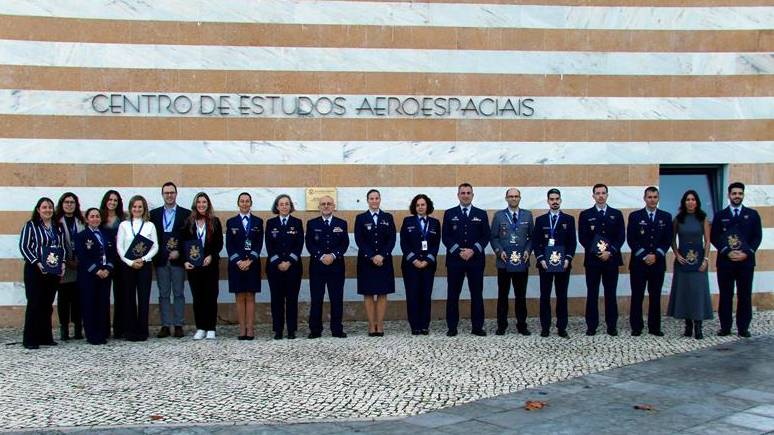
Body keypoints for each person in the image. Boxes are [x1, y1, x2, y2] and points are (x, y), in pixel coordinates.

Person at [710, 182, 763, 338]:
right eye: (734, 193)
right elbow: (714, 237)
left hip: (746, 262)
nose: (737, 196)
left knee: (744, 295)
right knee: (726, 295)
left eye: (740, 193)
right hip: (726, 262)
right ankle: (725, 327)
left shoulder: (752, 214)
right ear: (729, 195)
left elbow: (757, 237)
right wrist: (727, 252)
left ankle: (743, 328)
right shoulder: (720, 215)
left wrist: (747, 253)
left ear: (743, 195)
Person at [442, 183, 490, 337]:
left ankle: (477, 327)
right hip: (455, 261)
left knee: (476, 294)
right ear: (458, 195)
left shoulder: (481, 214)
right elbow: (445, 237)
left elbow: (486, 236)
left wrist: (473, 250)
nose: (465, 195)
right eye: (462, 193)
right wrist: (458, 251)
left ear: (472, 195)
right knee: (452, 294)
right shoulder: (449, 213)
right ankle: (452, 327)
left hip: (475, 260)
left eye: (468, 193)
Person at [578, 183, 625, 336]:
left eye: (603, 193)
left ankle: (612, 326)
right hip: (593, 261)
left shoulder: (616, 214)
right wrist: (598, 251)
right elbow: (583, 237)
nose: (600, 196)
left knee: (610, 293)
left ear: (607, 195)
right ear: (593, 196)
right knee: (592, 293)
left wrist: (609, 252)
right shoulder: (585, 215)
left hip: (611, 260)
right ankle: (591, 325)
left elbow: (620, 237)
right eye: (597, 193)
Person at [19, 197, 65, 349]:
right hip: (35, 269)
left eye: (50, 207)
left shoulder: (58, 226)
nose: (48, 210)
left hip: (53, 269)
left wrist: (63, 263)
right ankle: (30, 339)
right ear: (38, 210)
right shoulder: (31, 225)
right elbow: (24, 247)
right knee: (34, 303)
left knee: (47, 304)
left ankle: (45, 337)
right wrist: (37, 262)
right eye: (44, 207)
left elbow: (62, 247)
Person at [627, 186, 673, 337]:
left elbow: (667, 240)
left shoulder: (666, 217)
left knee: (655, 296)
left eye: (655, 197)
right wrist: (644, 256)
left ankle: (654, 327)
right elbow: (631, 239)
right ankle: (636, 326)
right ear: (644, 198)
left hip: (657, 263)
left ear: (658, 198)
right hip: (639, 264)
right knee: (637, 295)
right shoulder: (635, 216)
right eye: (649, 197)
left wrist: (656, 255)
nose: (652, 200)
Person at [667, 190, 712, 339]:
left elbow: (707, 241)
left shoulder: (703, 218)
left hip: (699, 261)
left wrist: (706, 259)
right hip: (683, 262)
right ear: (684, 202)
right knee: (685, 292)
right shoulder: (678, 219)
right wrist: (677, 254)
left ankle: (698, 326)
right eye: (688, 199)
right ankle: (688, 325)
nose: (690, 202)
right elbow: (672, 239)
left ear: (697, 202)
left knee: (698, 293)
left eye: (693, 199)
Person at [149, 182, 191, 339]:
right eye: (166, 193)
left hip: (178, 260)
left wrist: (180, 252)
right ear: (162, 195)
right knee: (164, 293)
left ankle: (179, 324)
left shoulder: (186, 214)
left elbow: (189, 237)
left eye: (172, 192)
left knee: (179, 293)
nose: (169, 195)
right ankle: (165, 325)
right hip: (161, 259)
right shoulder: (154, 214)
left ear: (176, 194)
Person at [533, 189, 576, 338]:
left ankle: (561, 327)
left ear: (561, 200)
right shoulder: (541, 220)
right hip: (545, 265)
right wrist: (541, 259)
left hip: (563, 265)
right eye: (552, 199)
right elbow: (536, 242)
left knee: (562, 296)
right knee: (545, 296)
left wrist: (568, 259)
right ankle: (545, 327)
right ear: (548, 201)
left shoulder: (569, 219)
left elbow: (572, 242)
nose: (555, 201)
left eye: (557, 199)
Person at [490, 188, 533, 336]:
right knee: (503, 295)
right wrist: (499, 251)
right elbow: (493, 237)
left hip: (521, 262)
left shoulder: (527, 215)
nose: (513, 198)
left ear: (520, 198)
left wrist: (528, 251)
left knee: (520, 295)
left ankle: (522, 325)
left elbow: (531, 237)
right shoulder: (499, 216)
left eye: (516, 196)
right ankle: (501, 325)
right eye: (511, 196)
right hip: (504, 262)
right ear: (506, 198)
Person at [116, 195, 159, 342]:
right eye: (134, 206)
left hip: (144, 265)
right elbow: (120, 247)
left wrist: (144, 259)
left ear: (144, 208)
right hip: (128, 266)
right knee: (128, 297)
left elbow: (155, 246)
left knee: (143, 298)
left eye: (140, 206)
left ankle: (142, 331)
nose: (137, 209)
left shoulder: (150, 225)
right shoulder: (124, 225)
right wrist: (130, 262)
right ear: (130, 208)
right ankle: (130, 330)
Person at [305, 195, 349, 339]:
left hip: (336, 267)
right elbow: (309, 244)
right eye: (323, 204)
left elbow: (344, 244)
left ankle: (337, 329)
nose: (326, 206)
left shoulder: (341, 223)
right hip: (317, 266)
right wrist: (322, 256)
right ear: (319, 207)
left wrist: (334, 255)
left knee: (336, 298)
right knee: (316, 298)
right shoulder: (312, 223)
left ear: (333, 206)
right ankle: (315, 330)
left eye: (329, 203)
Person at [354, 189, 396, 337]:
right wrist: (372, 256)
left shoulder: (388, 217)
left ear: (380, 199)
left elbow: (392, 239)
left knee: (383, 293)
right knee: (368, 293)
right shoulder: (361, 218)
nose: (374, 201)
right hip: (366, 261)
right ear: (367, 201)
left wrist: (382, 255)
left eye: (376, 198)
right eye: (371, 198)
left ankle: (380, 323)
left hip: (384, 261)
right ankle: (372, 324)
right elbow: (359, 240)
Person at [182, 192, 223, 340]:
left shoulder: (215, 222)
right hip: (194, 267)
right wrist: (185, 261)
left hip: (210, 266)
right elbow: (183, 243)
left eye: (204, 202)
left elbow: (219, 243)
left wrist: (211, 255)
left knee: (211, 296)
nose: (201, 205)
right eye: (199, 202)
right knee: (198, 297)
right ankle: (200, 327)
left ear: (208, 204)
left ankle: (211, 327)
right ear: (195, 204)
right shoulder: (189, 222)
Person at [400, 194, 440, 335]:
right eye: (417, 205)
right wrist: (415, 260)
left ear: (427, 206)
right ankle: (414, 325)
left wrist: (427, 260)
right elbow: (404, 243)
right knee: (412, 295)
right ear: (414, 207)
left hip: (428, 265)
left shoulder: (435, 223)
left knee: (426, 295)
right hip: (411, 265)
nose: (420, 207)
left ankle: (424, 325)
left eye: (423, 204)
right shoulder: (408, 221)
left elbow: (436, 244)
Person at [265, 194, 304, 340]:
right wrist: (278, 262)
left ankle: (291, 330)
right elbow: (269, 245)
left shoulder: (297, 222)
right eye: (281, 204)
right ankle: (278, 329)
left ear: (290, 206)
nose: (284, 206)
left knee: (292, 299)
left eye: (287, 204)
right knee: (277, 299)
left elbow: (299, 244)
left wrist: (289, 262)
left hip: (293, 267)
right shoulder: (271, 223)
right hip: (275, 268)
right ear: (277, 207)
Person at [74, 208, 115, 345]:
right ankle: (92, 335)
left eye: (97, 216)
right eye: (92, 216)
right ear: (87, 219)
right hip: (89, 275)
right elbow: (82, 256)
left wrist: (108, 268)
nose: (95, 218)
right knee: (90, 304)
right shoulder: (81, 236)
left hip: (105, 274)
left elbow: (112, 253)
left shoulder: (107, 234)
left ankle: (102, 333)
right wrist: (96, 270)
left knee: (103, 304)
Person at [226, 192, 263, 340]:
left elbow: (259, 244)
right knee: (240, 296)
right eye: (242, 201)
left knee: (250, 295)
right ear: (238, 203)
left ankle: (250, 329)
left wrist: (250, 260)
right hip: (236, 265)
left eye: (247, 201)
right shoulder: (231, 222)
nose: (245, 204)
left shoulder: (258, 222)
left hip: (252, 264)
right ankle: (242, 329)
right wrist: (239, 261)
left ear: (251, 203)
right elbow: (229, 245)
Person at [55, 192, 85, 340]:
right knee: (63, 299)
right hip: (64, 266)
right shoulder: (56, 222)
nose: (69, 205)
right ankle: (64, 328)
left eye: (72, 202)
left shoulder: (81, 222)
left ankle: (78, 327)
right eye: (66, 202)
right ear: (62, 204)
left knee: (78, 298)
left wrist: (79, 260)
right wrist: (66, 261)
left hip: (79, 265)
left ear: (76, 205)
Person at [99, 190, 125, 338]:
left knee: (120, 295)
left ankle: (119, 328)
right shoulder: (99, 218)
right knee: (103, 296)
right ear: (105, 201)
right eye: (110, 199)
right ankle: (103, 328)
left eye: (115, 200)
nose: (112, 202)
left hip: (120, 260)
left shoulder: (123, 219)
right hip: (103, 261)